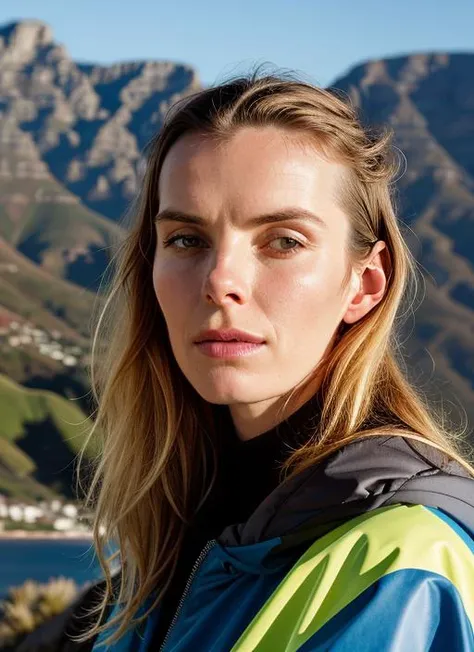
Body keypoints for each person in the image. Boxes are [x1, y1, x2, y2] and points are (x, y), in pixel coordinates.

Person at [53, 72, 474, 651]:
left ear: (365, 284)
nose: (220, 281)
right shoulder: (174, 539)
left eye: (283, 241)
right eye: (185, 239)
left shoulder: (405, 566)